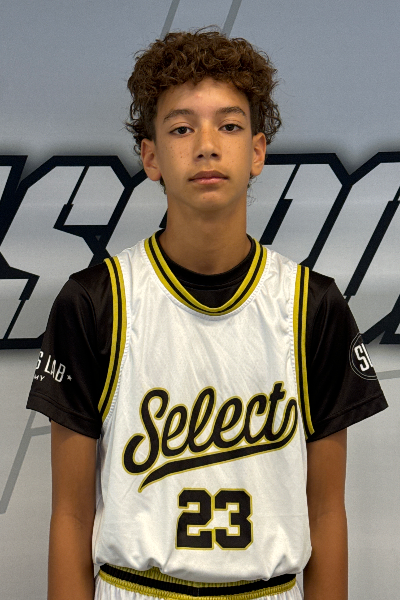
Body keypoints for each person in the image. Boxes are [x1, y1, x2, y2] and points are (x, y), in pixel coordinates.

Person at [27, 27, 388, 600]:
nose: (206, 145)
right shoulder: (96, 301)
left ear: (258, 151)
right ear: (150, 156)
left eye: (229, 125)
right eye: (181, 127)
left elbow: (325, 513)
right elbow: (70, 515)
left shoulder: (311, 305)